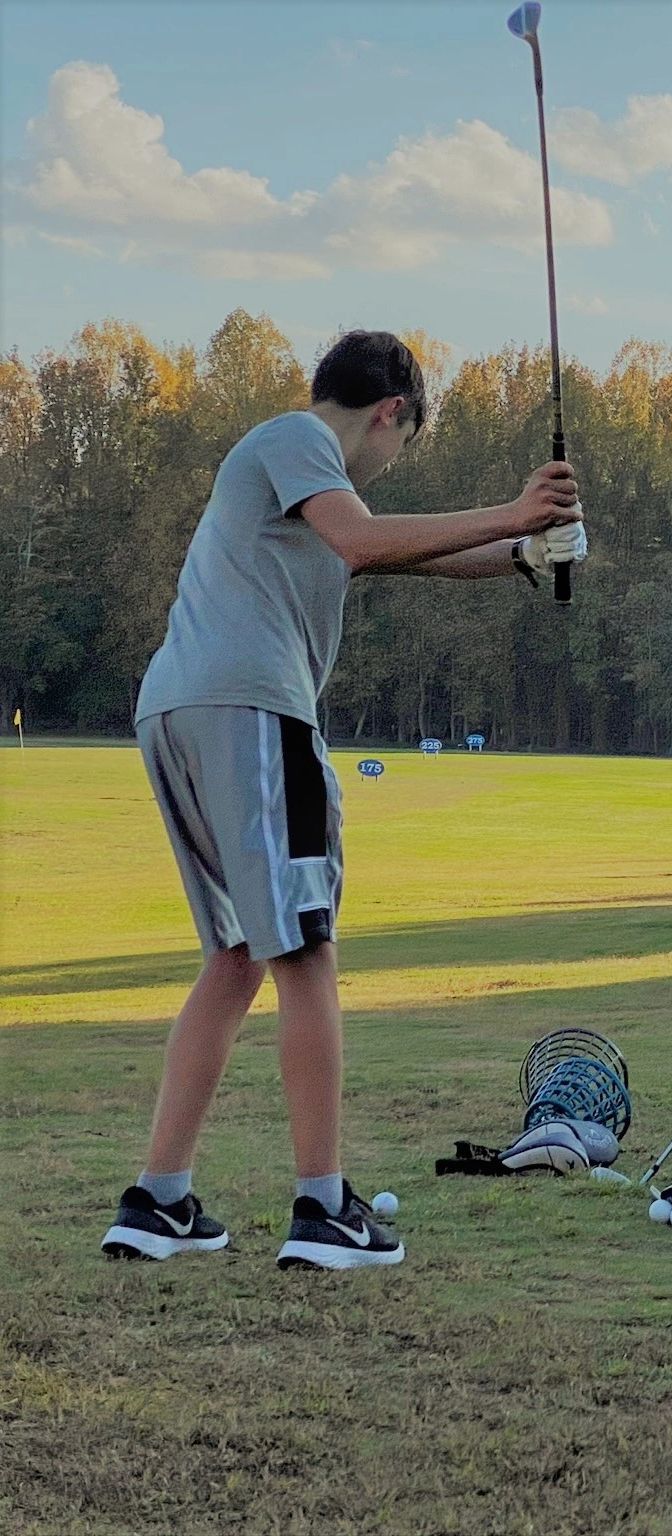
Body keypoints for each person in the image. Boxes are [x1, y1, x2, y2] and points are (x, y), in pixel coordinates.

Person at [101, 330, 588, 1271]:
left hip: (183, 708)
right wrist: (517, 505)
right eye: (400, 445)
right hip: (253, 707)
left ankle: (159, 1201)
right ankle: (324, 1210)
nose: (389, 465)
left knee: (238, 953)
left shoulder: (302, 487)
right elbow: (367, 544)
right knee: (307, 951)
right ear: (389, 412)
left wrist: (526, 550)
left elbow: (408, 555)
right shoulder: (297, 442)